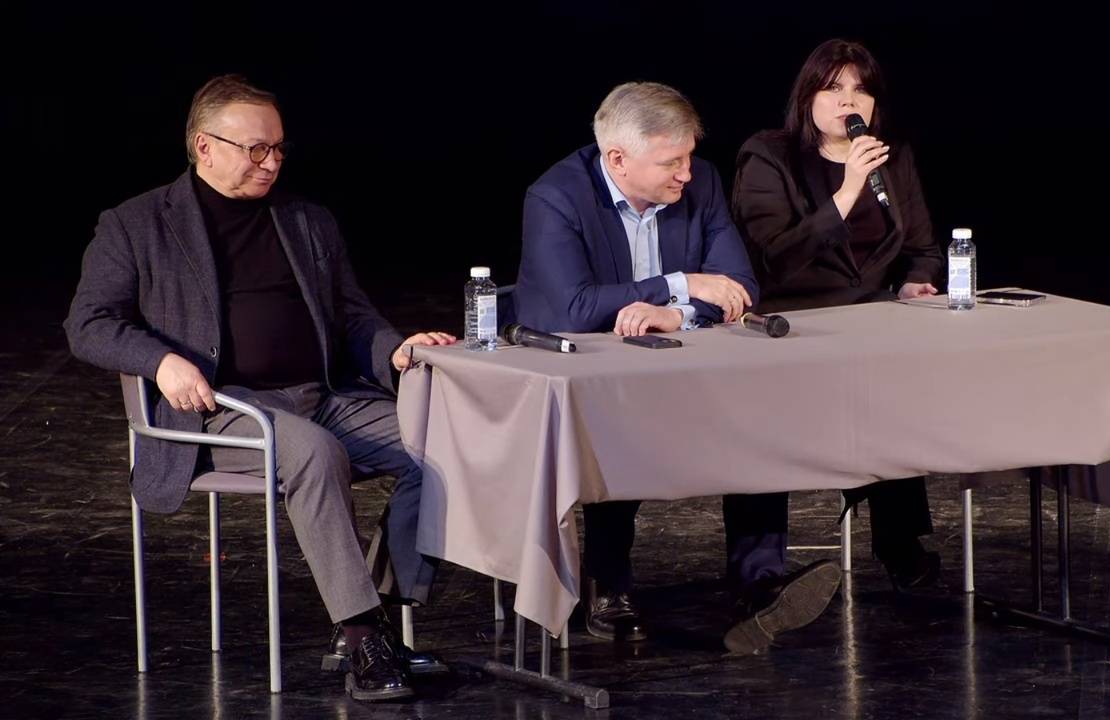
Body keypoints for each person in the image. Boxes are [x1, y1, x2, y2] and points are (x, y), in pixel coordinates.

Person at [64, 74, 454, 701]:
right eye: (255, 149)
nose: (271, 162)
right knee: (314, 453)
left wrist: (394, 351)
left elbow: (353, 317)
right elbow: (88, 323)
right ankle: (364, 639)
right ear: (204, 146)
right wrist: (162, 362)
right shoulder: (137, 224)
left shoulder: (306, 220)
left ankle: (374, 614)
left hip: (322, 396)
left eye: (277, 149)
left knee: (441, 440)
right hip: (220, 408)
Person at [513, 81, 841, 654]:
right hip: (594, 376)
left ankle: (759, 584)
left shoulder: (702, 182)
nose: (687, 174)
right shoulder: (556, 196)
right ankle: (607, 586)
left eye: (689, 157)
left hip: (684, 364)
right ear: (618, 159)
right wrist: (681, 283)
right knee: (617, 427)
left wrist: (674, 313)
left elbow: (739, 286)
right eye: (672, 162)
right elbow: (573, 309)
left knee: (758, 415)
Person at [732, 39, 942, 588]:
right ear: (807, 97)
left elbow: (922, 249)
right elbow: (773, 260)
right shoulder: (768, 156)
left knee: (893, 393)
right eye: (833, 88)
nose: (849, 100)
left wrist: (913, 283)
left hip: (866, 325)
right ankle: (759, 573)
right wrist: (847, 191)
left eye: (860, 89)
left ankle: (900, 545)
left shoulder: (892, 156)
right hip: (787, 329)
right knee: (763, 419)